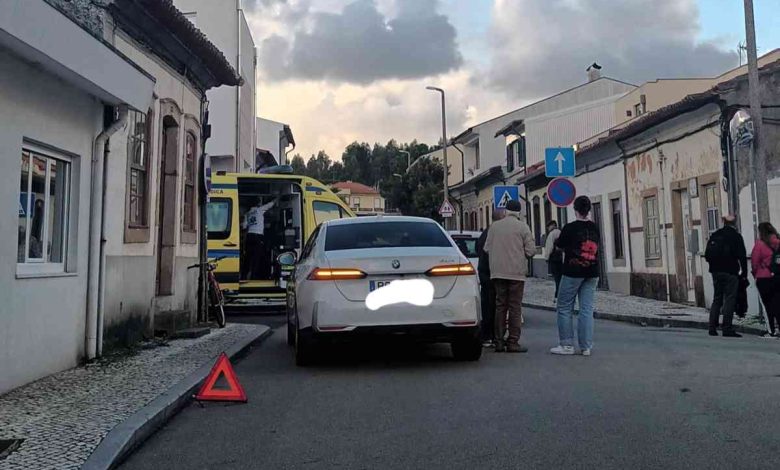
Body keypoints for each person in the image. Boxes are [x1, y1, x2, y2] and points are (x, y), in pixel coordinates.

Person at [550, 196, 600, 357]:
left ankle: (566, 345)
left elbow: (559, 245)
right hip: (592, 271)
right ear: (589, 210)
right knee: (586, 309)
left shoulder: (570, 228)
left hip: (573, 271)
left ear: (575, 209)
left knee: (564, 307)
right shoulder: (594, 227)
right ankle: (586, 346)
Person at [484, 200, 536, 353]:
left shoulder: (494, 227)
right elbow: (531, 251)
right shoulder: (523, 227)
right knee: (515, 307)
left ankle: (498, 341)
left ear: (506, 211)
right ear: (519, 212)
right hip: (516, 273)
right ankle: (513, 342)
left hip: (497, 272)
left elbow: (486, 248)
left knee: (500, 306)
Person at [704, 214, 748, 338]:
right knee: (729, 299)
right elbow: (742, 257)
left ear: (724, 222)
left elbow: (707, 255)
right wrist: (744, 274)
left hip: (716, 272)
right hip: (730, 272)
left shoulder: (715, 235)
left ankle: (712, 327)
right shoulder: (736, 237)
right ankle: (727, 328)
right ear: (735, 223)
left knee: (717, 299)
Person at [476, 208, 506, 347]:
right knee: (492, 305)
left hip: (484, 271)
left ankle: (489, 335)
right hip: (491, 272)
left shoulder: (485, 233)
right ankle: (490, 336)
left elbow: (478, 249)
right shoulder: (494, 233)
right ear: (501, 217)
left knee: (488, 304)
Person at [751, 222, 780, 337]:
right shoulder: (778, 242)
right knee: (777, 303)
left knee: (767, 305)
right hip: (777, 277)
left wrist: (755, 274)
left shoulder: (760, 244)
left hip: (764, 277)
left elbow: (754, 262)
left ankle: (771, 330)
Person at [242, 197, 277, 279]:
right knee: (257, 257)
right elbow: (271, 204)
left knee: (248, 257)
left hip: (249, 236)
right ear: (258, 203)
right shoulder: (259, 210)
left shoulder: (247, 213)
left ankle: (243, 276)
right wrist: (278, 197)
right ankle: (254, 277)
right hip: (258, 236)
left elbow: (244, 226)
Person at [544, 220, 563, 303]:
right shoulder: (561, 232)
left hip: (554, 259)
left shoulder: (552, 234)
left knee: (557, 278)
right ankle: (561, 295)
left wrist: (546, 257)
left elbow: (549, 247)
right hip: (562, 259)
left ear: (552, 226)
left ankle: (557, 296)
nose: (548, 229)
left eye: (548, 227)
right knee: (561, 278)